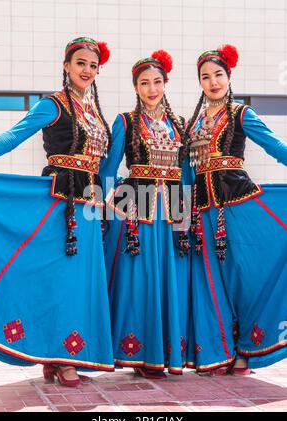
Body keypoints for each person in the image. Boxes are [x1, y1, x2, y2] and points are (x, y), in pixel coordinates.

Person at [0, 37, 114, 387]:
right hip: (61, 203)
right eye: (80, 63)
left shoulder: (94, 111)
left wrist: (107, 196)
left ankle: (60, 357)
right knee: (60, 279)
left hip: (89, 205)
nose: (87, 70)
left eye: (92, 65)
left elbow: (103, 166)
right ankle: (60, 359)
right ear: (66, 66)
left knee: (78, 283)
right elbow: (15, 134)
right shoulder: (53, 104)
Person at [186, 44, 287, 375]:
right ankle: (219, 352)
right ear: (199, 82)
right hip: (202, 210)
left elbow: (275, 146)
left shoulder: (242, 113)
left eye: (218, 75)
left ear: (229, 77)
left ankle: (246, 350)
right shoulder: (194, 123)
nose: (213, 82)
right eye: (205, 77)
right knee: (211, 282)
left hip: (239, 206)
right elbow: (187, 172)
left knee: (245, 277)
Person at [99, 50, 194, 379]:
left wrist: (185, 220)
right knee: (137, 279)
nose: (151, 89)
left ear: (166, 83)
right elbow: (109, 168)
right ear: (135, 87)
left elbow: (184, 174)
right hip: (136, 208)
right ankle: (137, 352)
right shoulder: (124, 120)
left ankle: (164, 353)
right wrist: (100, 205)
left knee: (169, 277)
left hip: (171, 211)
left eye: (157, 82)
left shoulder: (180, 124)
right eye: (144, 83)